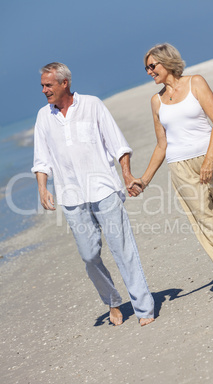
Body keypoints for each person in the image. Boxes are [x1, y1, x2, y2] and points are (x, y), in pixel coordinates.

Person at [32, 62, 154, 326]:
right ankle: (112, 299)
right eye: (42, 85)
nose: (44, 90)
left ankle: (144, 309)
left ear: (65, 83)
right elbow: (41, 159)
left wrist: (127, 174)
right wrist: (42, 188)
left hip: (104, 190)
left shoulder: (92, 105)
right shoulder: (44, 116)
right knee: (89, 255)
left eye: (48, 85)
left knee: (124, 250)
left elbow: (118, 144)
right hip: (72, 197)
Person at [129, 43, 213, 298]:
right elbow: (162, 144)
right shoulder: (156, 101)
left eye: (152, 66)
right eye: (146, 68)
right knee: (207, 223)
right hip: (180, 167)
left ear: (167, 62)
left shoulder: (196, 82)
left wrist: (208, 160)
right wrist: (145, 180)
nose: (149, 72)